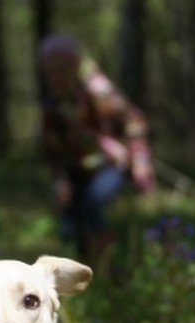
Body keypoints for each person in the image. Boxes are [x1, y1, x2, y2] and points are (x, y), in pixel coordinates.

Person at [38, 34, 155, 267]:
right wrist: (60, 181)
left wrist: (140, 161)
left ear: (75, 65)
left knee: (93, 203)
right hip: (76, 170)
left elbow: (134, 122)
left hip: (112, 165)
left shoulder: (98, 91)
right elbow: (53, 152)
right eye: (50, 72)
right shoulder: (53, 106)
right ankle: (83, 273)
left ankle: (108, 266)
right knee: (69, 224)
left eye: (62, 69)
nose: (56, 77)